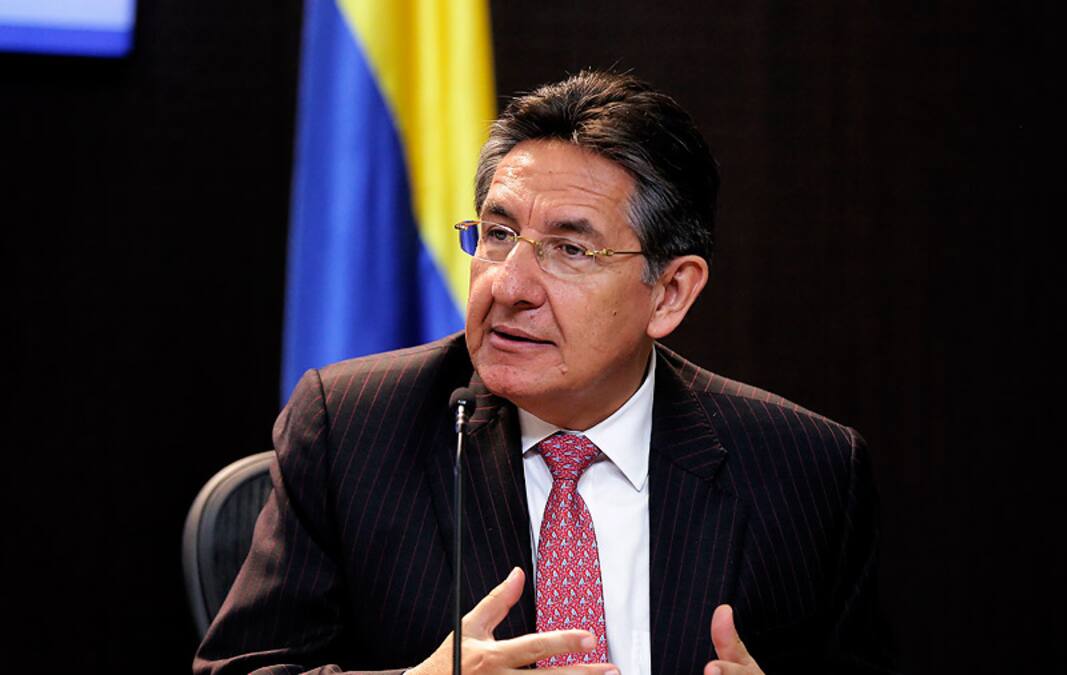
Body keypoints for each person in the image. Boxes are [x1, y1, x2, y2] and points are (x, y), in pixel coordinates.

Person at [195, 70, 896, 675]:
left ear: (670, 292)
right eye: (498, 234)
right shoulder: (354, 429)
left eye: (569, 249)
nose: (509, 285)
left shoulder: (807, 469)